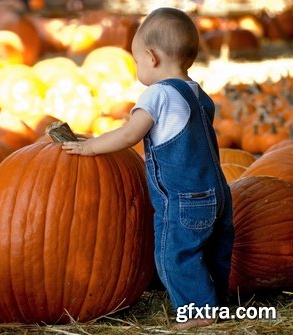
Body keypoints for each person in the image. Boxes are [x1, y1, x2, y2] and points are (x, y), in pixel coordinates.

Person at [62, 7, 234, 330]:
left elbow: (130, 133)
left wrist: (90, 146)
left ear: (151, 58)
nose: (138, 68)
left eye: (137, 60)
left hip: (184, 198)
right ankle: (217, 302)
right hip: (218, 194)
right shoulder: (198, 94)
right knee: (211, 252)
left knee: (174, 255)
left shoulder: (157, 95)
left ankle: (199, 311)